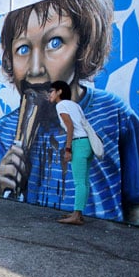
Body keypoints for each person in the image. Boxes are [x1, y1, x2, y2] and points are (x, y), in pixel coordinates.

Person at [0, 0, 139, 228]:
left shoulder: (114, 113)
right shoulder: (3, 132)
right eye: (23, 48)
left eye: (55, 43)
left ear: (84, 47)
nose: (36, 68)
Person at [48, 80, 93, 225]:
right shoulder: (75, 105)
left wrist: (67, 149)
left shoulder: (61, 105)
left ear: (59, 91)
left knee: (79, 182)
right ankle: (78, 213)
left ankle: (76, 215)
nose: (49, 94)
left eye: (51, 91)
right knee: (84, 181)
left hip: (78, 143)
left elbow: (70, 127)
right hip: (87, 144)